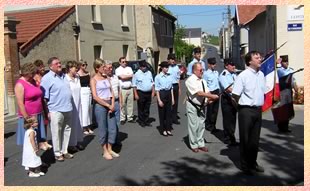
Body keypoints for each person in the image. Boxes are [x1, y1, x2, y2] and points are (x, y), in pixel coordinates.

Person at [232, 51, 266, 175]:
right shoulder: (243, 75)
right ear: (249, 61)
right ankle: (245, 165)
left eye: (260, 57)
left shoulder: (261, 74)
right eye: (256, 57)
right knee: (245, 139)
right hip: (246, 110)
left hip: (258, 110)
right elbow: (235, 95)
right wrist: (241, 109)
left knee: (254, 140)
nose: (260, 59)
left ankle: (253, 162)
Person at [41, 57, 74, 162]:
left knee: (66, 130)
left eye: (60, 63)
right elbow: (44, 98)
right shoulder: (47, 78)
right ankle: (57, 153)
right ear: (51, 66)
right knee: (56, 133)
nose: (60, 65)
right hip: (55, 110)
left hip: (67, 108)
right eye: (57, 63)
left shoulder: (64, 76)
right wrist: (47, 112)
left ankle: (65, 151)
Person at [14, 62, 50, 150]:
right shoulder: (20, 84)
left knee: (37, 141)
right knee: (30, 142)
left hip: (38, 115)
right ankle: (31, 163)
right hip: (28, 116)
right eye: (32, 74)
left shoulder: (33, 81)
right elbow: (20, 104)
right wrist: (28, 119)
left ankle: (37, 161)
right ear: (26, 73)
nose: (34, 75)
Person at [185, 62, 219, 152]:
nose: (202, 71)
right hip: (193, 105)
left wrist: (211, 98)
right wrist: (212, 96)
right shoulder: (190, 80)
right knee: (193, 125)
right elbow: (199, 93)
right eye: (200, 70)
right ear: (194, 70)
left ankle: (200, 143)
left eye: (203, 70)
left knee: (201, 125)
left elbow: (207, 92)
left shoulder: (203, 81)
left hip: (202, 105)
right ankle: (194, 145)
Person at [90, 58, 119, 160]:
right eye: (103, 67)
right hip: (100, 106)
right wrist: (107, 106)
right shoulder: (93, 80)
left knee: (112, 128)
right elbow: (95, 96)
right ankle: (105, 150)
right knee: (103, 129)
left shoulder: (106, 78)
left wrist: (112, 104)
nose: (105, 68)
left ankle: (110, 148)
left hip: (109, 104)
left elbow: (112, 92)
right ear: (97, 68)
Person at [275, 55, 299, 133]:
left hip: (288, 91)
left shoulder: (291, 70)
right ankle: (281, 126)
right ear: (281, 63)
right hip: (281, 91)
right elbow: (282, 74)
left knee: (288, 109)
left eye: (287, 61)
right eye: (284, 62)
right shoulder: (279, 70)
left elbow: (293, 80)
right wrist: (277, 65)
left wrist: (296, 89)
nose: (286, 63)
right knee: (282, 109)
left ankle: (286, 126)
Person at [65, 61, 84, 152]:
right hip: (70, 105)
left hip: (78, 103)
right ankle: (70, 144)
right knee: (71, 124)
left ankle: (77, 141)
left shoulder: (77, 77)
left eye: (77, 67)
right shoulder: (65, 79)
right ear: (69, 68)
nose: (76, 69)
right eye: (74, 67)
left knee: (78, 123)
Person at [219, 58, 238, 145]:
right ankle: (227, 138)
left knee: (233, 119)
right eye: (232, 65)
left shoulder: (234, 74)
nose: (234, 66)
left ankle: (232, 137)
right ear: (226, 66)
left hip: (234, 99)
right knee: (227, 119)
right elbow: (228, 89)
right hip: (227, 99)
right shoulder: (223, 75)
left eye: (234, 64)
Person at [132, 60, 155, 127]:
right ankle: (141, 121)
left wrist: (153, 92)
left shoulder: (149, 73)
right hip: (141, 93)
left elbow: (152, 83)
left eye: (145, 66)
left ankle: (146, 120)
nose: (144, 68)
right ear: (140, 67)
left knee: (147, 107)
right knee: (141, 107)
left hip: (148, 92)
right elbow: (134, 85)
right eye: (143, 66)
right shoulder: (136, 74)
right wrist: (135, 94)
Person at [155, 61, 174, 136]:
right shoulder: (158, 77)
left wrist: (172, 98)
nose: (167, 69)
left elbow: (171, 88)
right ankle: (163, 129)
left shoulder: (169, 76)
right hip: (162, 94)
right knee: (162, 113)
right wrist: (159, 100)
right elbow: (157, 90)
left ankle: (168, 129)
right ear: (162, 68)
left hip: (168, 93)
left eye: (168, 67)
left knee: (168, 113)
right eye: (166, 67)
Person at [115, 57, 135, 125]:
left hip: (130, 88)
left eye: (125, 61)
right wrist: (127, 76)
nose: (124, 63)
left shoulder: (129, 68)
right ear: (120, 62)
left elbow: (132, 75)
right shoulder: (118, 69)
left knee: (130, 104)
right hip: (122, 89)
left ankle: (130, 117)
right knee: (122, 104)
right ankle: (122, 118)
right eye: (123, 62)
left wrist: (125, 77)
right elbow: (121, 77)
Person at [203, 57, 220, 133]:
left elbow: (218, 83)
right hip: (210, 92)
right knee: (210, 110)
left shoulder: (216, 73)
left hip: (217, 91)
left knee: (215, 110)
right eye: (212, 64)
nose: (214, 65)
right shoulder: (206, 74)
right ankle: (208, 125)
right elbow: (205, 85)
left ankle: (213, 125)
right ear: (209, 64)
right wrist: (207, 95)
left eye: (215, 64)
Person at [77, 60, 94, 135]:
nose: (85, 66)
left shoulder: (88, 73)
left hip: (88, 90)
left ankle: (89, 125)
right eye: (83, 65)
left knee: (89, 108)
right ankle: (84, 126)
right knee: (84, 109)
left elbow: (90, 82)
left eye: (86, 64)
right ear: (80, 66)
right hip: (82, 91)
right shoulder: (78, 74)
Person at [167, 53, 181, 124]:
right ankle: (168, 117)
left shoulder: (176, 67)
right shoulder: (166, 68)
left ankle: (174, 118)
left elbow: (178, 78)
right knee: (169, 103)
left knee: (175, 102)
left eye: (174, 59)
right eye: (171, 59)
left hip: (175, 85)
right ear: (168, 60)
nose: (173, 61)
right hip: (169, 86)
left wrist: (179, 88)